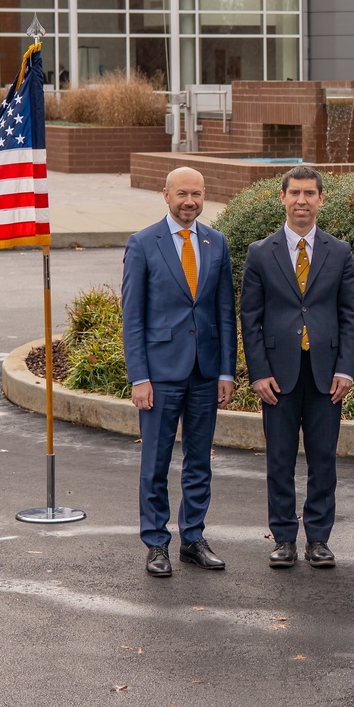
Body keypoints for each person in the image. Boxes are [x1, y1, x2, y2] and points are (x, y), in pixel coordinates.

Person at [241, 165, 354, 568]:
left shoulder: (340, 252)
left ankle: (319, 539)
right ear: (283, 198)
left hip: (327, 374)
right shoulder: (261, 252)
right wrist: (258, 372)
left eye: (310, 193)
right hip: (278, 374)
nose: (302, 200)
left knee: (324, 458)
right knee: (279, 458)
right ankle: (284, 539)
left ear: (321, 200)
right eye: (295, 193)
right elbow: (249, 317)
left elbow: (350, 316)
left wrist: (346, 369)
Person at [121, 167, 237, 578]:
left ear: (205, 196)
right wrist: (139, 377)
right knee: (155, 461)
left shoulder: (216, 242)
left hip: (205, 373)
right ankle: (156, 543)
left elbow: (225, 313)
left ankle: (192, 538)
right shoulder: (142, 244)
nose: (190, 201)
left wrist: (227, 372)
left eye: (197, 194)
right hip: (160, 374)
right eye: (182, 194)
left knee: (199, 461)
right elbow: (132, 318)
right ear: (165, 195)